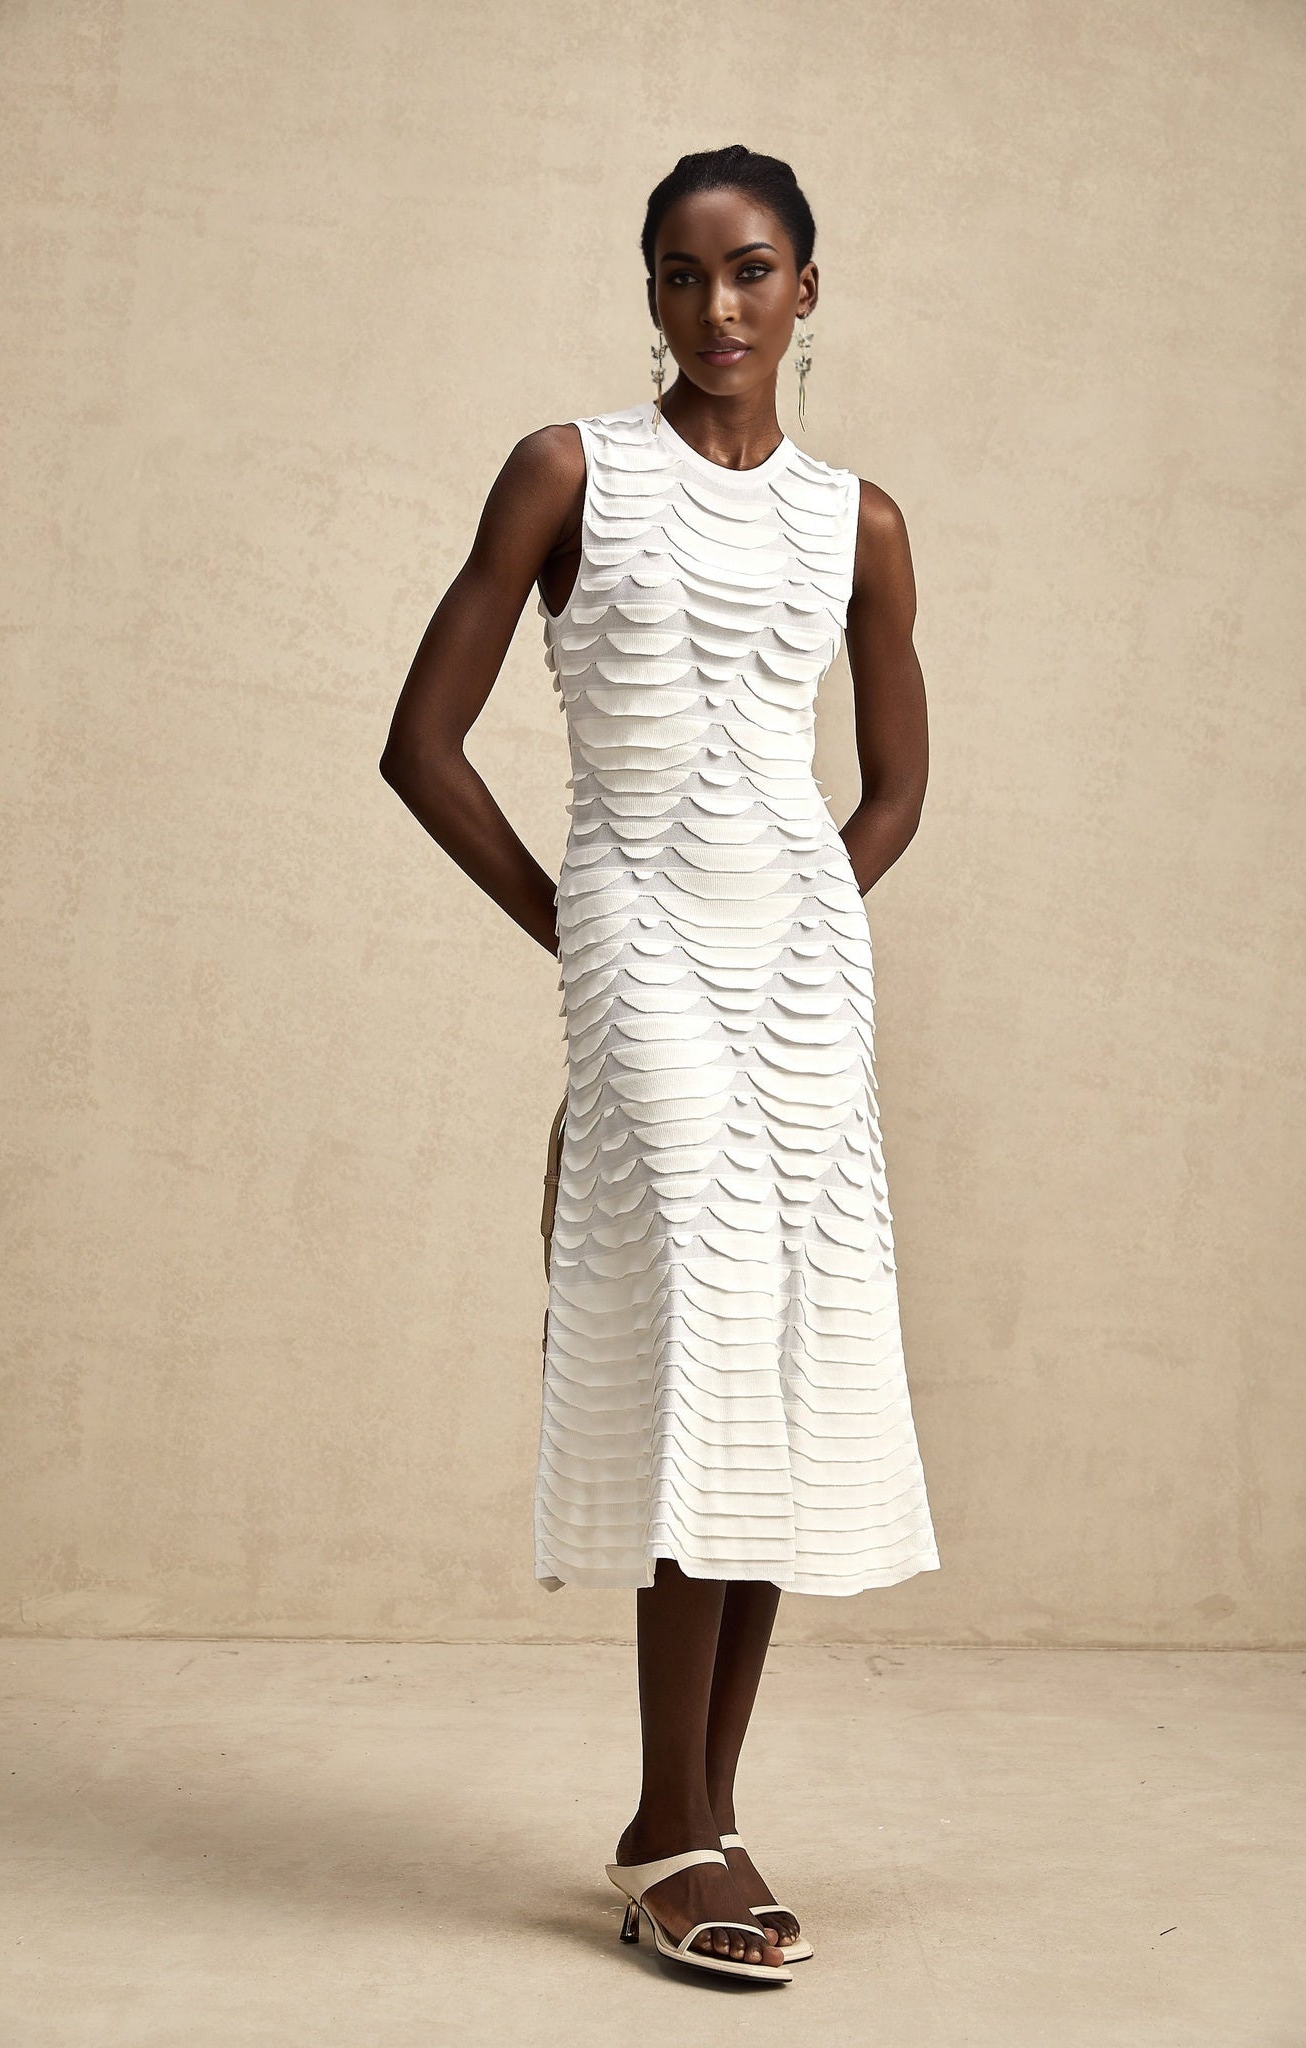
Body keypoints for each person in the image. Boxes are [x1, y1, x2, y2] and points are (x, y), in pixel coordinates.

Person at [380, 143, 940, 1986]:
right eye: (682, 275)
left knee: (776, 1356)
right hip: (635, 937)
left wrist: (807, 916)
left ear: (805, 289)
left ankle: (692, 1818)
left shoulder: (859, 521)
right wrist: (586, 932)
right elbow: (421, 743)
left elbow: (894, 788)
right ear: (647, 293)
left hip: (802, 973)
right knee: (695, 1337)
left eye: (751, 270)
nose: (717, 307)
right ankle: (667, 1821)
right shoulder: (569, 473)